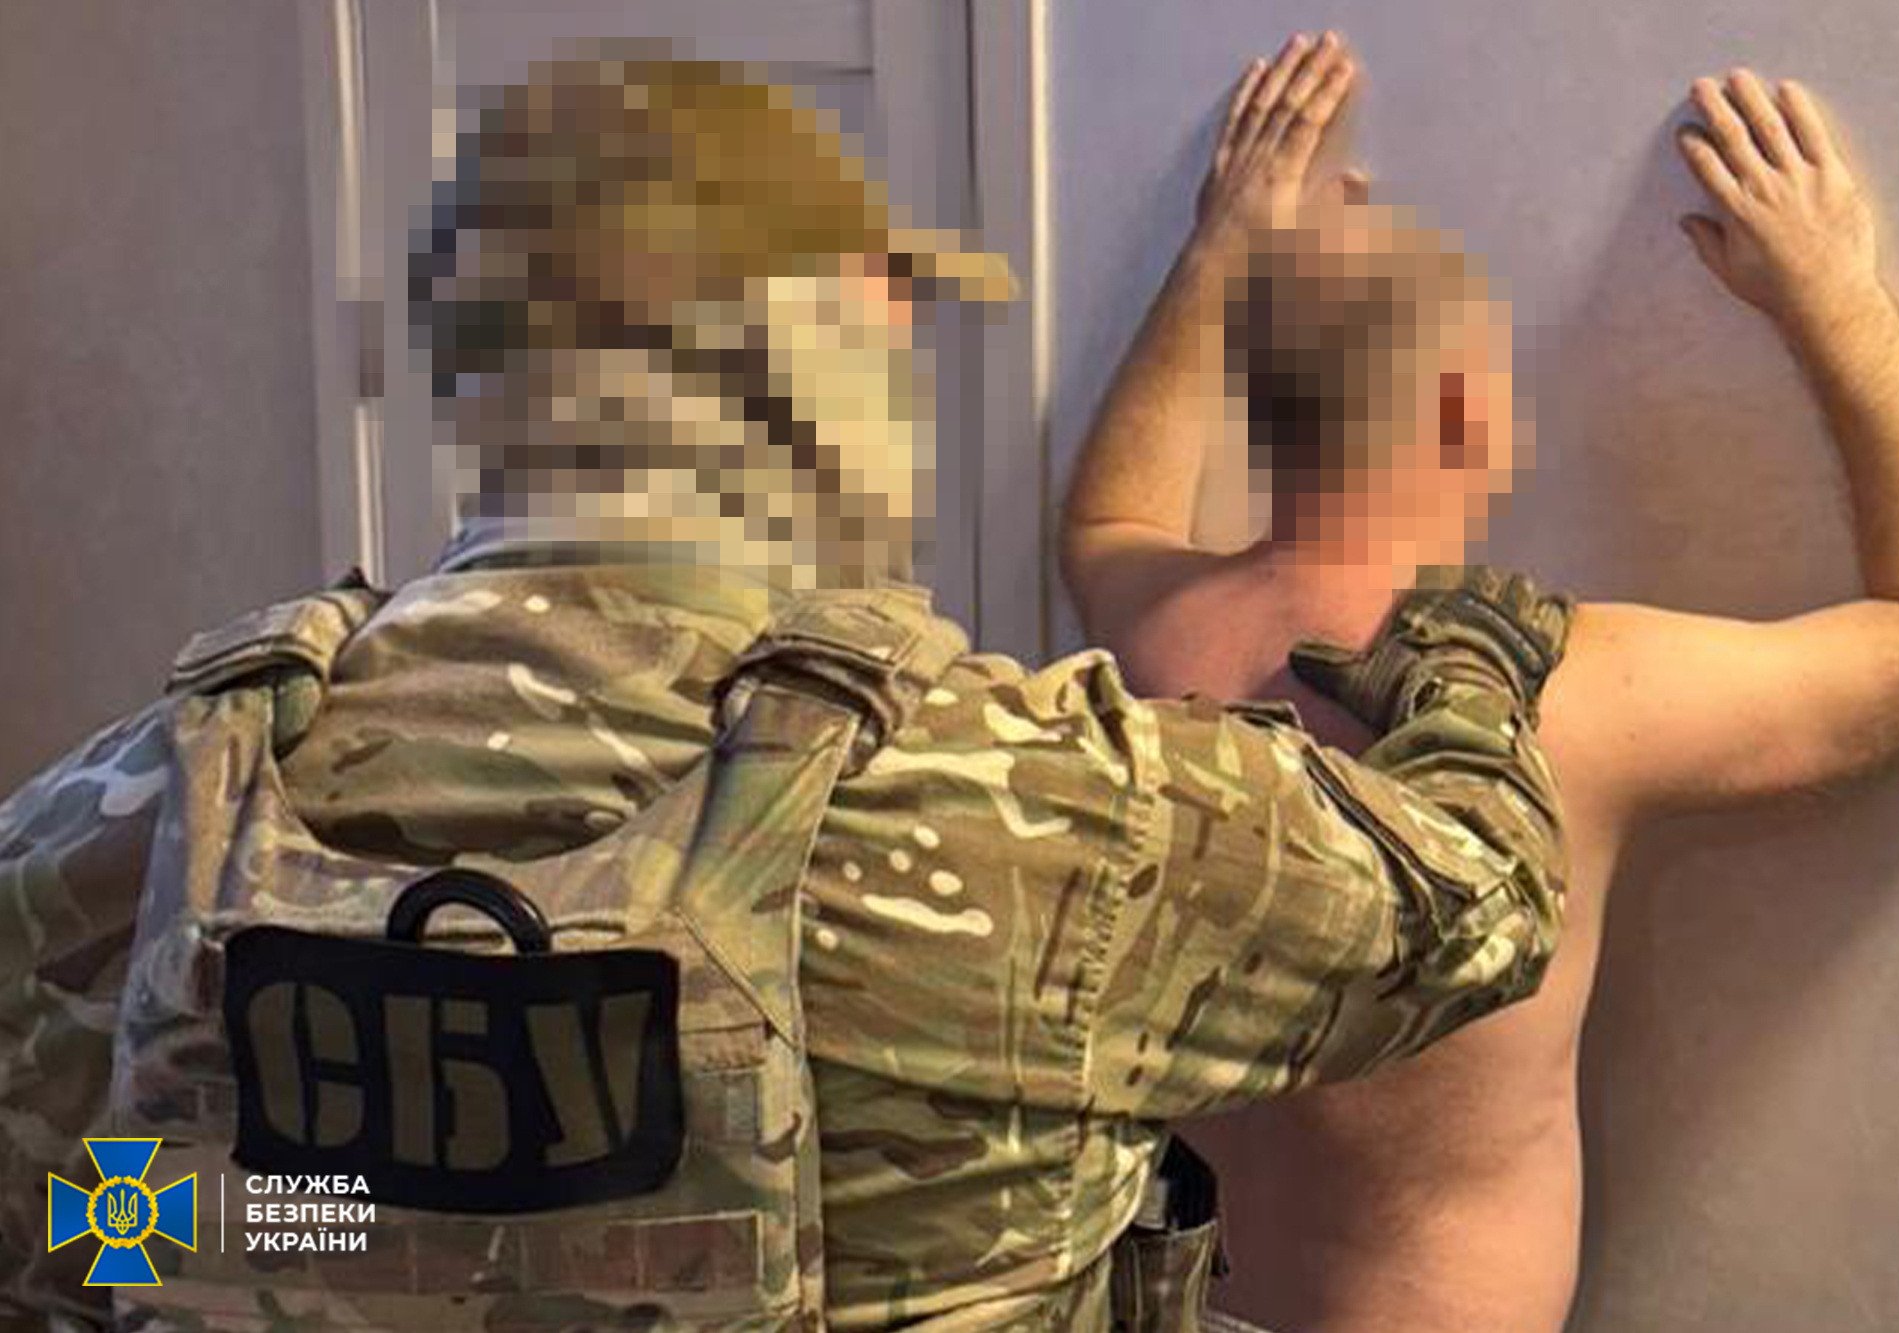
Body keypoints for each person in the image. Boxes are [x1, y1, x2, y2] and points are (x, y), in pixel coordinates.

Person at [0, 50, 1579, 1333]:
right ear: (833, 341)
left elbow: (75, 1237)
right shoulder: (1032, 806)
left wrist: (328, 1214)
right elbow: (1482, 900)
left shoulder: (117, 824)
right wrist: (1466, 654)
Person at [1060, 30, 1899, 1333]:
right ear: (1475, 424)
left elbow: (1106, 516)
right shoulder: (1559, 697)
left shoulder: (1164, 643)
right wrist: (1832, 293)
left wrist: (1216, 254)